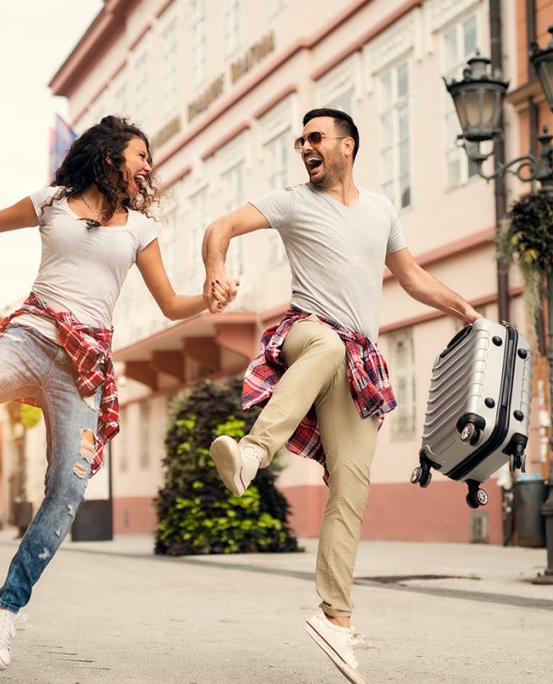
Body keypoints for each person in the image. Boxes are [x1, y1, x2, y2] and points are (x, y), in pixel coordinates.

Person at [0, 116, 232, 670]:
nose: (148, 166)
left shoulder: (140, 231)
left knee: (66, 490)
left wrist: (210, 297)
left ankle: (8, 604)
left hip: (81, 368)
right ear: (109, 156)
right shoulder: (52, 202)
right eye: (140, 155)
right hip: (28, 338)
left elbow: (173, 304)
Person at [202, 108, 482, 683]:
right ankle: (254, 451)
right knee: (326, 344)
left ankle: (335, 619)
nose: (304, 146)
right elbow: (219, 228)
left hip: (359, 360)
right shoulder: (290, 202)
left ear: (346, 146)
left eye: (315, 138)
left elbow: (412, 277)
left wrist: (465, 309)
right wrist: (215, 271)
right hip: (305, 335)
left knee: (351, 488)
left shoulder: (381, 210)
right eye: (300, 140)